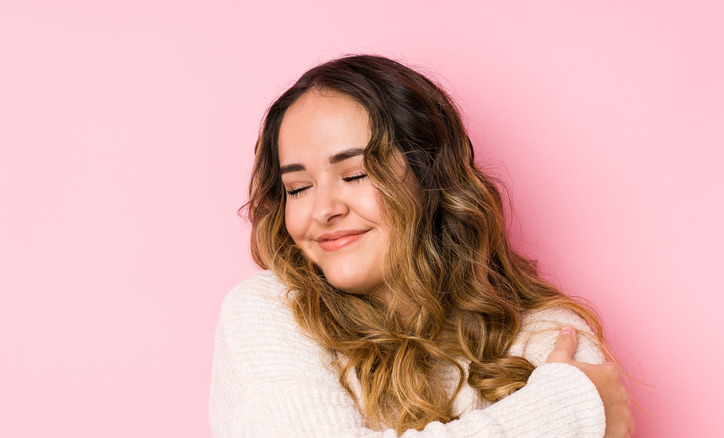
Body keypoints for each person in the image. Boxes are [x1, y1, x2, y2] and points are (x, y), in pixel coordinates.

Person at [209, 55, 634, 437]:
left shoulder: (546, 335)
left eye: (356, 174)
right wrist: (561, 411)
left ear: (429, 176)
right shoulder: (270, 311)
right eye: (298, 188)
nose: (322, 210)